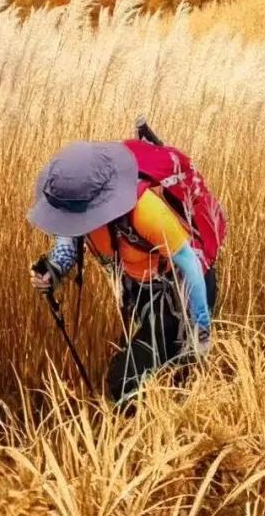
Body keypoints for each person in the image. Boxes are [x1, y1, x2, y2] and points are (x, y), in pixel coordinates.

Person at [29, 125, 226, 407]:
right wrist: (53, 271)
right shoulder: (78, 209)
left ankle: (155, 423)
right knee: (151, 372)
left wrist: (201, 334)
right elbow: (67, 245)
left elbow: (191, 266)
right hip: (144, 294)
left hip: (180, 294)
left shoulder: (145, 211)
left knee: (128, 380)